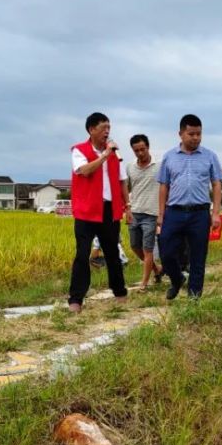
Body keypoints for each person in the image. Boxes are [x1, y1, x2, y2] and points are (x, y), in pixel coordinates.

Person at [64, 113, 129, 311]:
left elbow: (122, 181)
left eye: (109, 127)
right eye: (103, 127)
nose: (107, 131)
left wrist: (128, 205)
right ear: (91, 130)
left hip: (109, 209)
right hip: (87, 210)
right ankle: (76, 299)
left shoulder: (114, 154)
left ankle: (120, 293)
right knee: (82, 254)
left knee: (112, 253)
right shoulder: (79, 150)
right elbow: (84, 170)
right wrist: (104, 156)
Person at [157, 114, 222, 300]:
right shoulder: (169, 157)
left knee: (198, 257)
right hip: (174, 212)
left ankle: (194, 296)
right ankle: (177, 279)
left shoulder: (210, 156)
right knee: (166, 251)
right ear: (181, 134)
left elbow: (217, 184)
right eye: (191, 134)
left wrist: (216, 213)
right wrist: (161, 214)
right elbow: (164, 186)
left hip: (200, 213)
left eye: (199, 134)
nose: (195, 138)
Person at [126, 134, 163, 291]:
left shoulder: (159, 166)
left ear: (148, 147)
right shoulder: (130, 167)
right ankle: (157, 269)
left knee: (148, 249)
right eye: (136, 151)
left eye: (143, 149)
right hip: (135, 212)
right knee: (135, 246)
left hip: (151, 213)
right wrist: (126, 208)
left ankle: (144, 283)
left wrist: (162, 212)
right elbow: (126, 188)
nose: (140, 153)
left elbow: (165, 188)